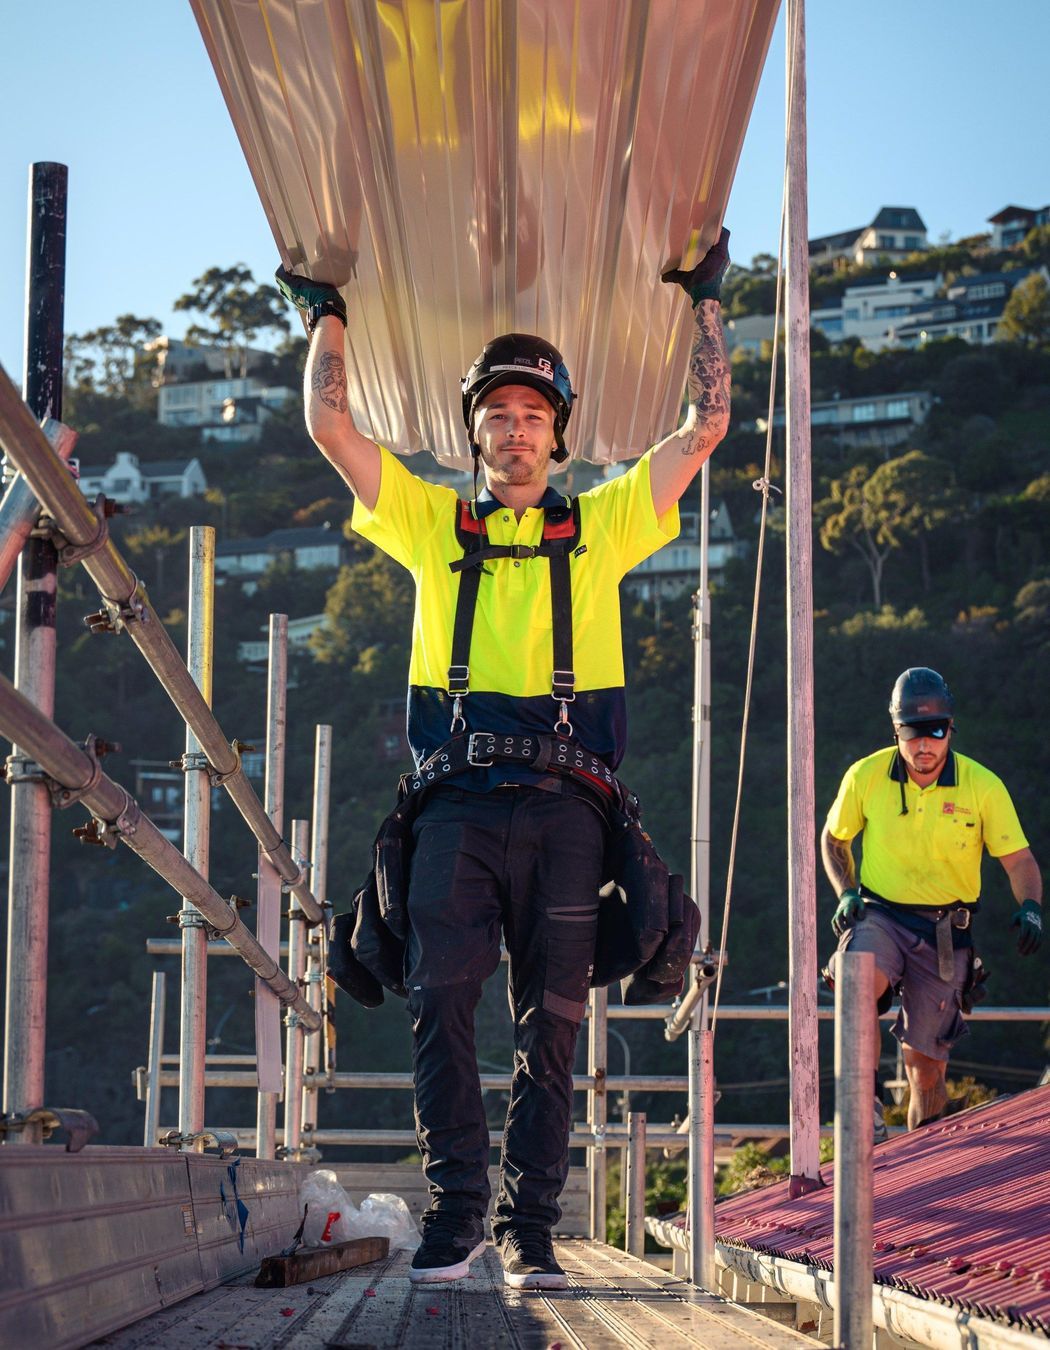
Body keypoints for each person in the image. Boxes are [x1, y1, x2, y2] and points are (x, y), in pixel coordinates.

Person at [275, 230, 731, 1288]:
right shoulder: (434, 524)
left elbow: (706, 423)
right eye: (496, 415)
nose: (514, 430)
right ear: (474, 434)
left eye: (531, 416)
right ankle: (460, 1217)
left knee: (554, 1024)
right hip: (454, 806)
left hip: (573, 810)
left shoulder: (607, 524)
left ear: (556, 434)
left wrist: (706, 303)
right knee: (441, 997)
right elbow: (328, 423)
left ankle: (531, 1228)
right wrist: (325, 310)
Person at [822, 667, 1042, 1139]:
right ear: (896, 731)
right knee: (854, 975)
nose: (925, 745)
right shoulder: (865, 775)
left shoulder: (982, 787)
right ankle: (864, 1110)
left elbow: (1019, 860)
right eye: (913, 734)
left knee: (925, 1069)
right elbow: (833, 839)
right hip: (879, 911)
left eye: (936, 732)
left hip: (945, 929)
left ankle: (922, 1151)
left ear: (950, 729)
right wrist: (845, 891)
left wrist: (1031, 907)